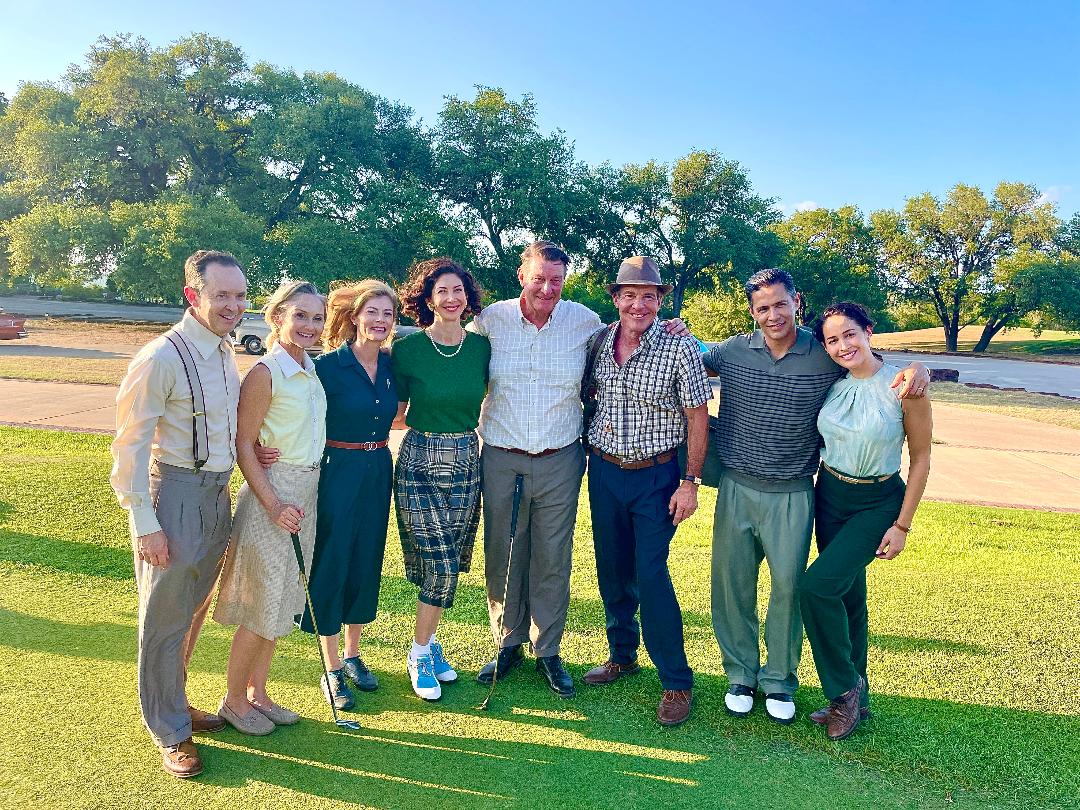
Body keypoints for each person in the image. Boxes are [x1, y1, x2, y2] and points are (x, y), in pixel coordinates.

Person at [703, 268, 930, 724]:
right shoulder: (731, 351)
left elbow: (865, 361)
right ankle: (740, 674)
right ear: (752, 312)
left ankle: (780, 680)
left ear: (796, 302)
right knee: (732, 588)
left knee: (791, 589)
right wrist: (668, 330)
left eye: (780, 304)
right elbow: (689, 361)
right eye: (762, 307)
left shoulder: (823, 352)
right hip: (739, 486)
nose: (773, 315)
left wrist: (916, 368)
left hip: (795, 491)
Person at [472, 241, 690, 698]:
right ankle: (506, 642)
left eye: (556, 280)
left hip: (561, 457)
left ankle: (547, 649)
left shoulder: (585, 324)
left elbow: (641, 333)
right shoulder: (490, 321)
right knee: (505, 553)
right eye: (539, 279)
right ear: (521, 276)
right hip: (501, 454)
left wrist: (677, 327)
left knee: (553, 556)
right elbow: (449, 344)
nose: (547, 289)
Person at [110, 250, 247, 778]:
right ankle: (169, 731)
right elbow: (129, 446)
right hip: (174, 494)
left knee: (191, 610)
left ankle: (176, 702)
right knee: (164, 619)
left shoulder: (221, 350)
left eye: (239, 295)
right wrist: (144, 522)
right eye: (222, 296)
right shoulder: (160, 356)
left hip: (217, 493)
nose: (234, 305)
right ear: (193, 296)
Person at [580, 257, 711, 726]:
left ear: (661, 301)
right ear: (615, 298)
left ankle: (676, 681)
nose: (639, 304)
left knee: (651, 573)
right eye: (630, 295)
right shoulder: (598, 341)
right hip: (605, 471)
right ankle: (622, 654)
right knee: (612, 567)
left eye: (649, 296)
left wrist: (689, 482)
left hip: (657, 478)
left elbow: (697, 417)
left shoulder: (679, 348)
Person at [261, 281, 400, 710]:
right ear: (355, 316)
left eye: (388, 314)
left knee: (366, 559)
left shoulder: (393, 366)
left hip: (378, 469)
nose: (380, 321)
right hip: (336, 471)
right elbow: (291, 411)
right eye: (372, 312)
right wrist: (264, 445)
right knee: (334, 558)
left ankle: (355, 655)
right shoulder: (328, 367)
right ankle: (332, 666)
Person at [801, 301, 932, 740]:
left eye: (850, 334)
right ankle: (861, 700)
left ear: (869, 332)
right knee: (847, 597)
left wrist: (902, 525)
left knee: (816, 587)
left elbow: (922, 456)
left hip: (878, 501)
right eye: (833, 339)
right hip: (830, 495)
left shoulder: (903, 386)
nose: (843, 345)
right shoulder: (832, 383)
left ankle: (843, 690)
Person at [213, 281, 327, 734]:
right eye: (300, 315)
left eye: (317, 318)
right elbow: (244, 443)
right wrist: (275, 501)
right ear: (277, 317)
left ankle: (260, 694)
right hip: (273, 496)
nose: (309, 326)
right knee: (262, 604)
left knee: (282, 602)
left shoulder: (309, 367)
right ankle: (234, 701)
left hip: (307, 490)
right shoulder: (266, 372)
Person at [391, 258, 490, 700]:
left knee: (448, 561)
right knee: (441, 564)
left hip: (467, 456)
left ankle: (430, 644)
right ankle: (419, 652)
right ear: (427, 299)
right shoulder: (406, 350)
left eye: (458, 290)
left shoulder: (482, 349)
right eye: (442, 291)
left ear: (467, 297)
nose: (452, 298)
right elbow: (388, 413)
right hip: (418, 458)